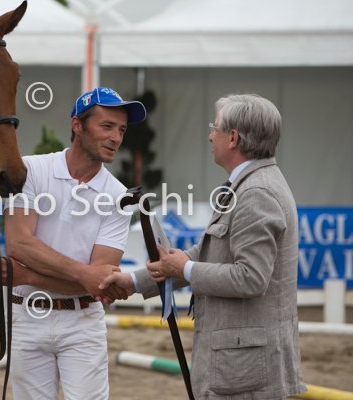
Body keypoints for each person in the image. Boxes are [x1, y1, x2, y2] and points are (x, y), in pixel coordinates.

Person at [100, 94, 307, 399]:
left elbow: (251, 278)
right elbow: (208, 254)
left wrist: (184, 268)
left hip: (245, 371)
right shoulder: (248, 185)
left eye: (215, 128)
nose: (210, 136)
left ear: (233, 138)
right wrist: (133, 281)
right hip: (242, 365)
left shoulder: (256, 193)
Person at [0, 87, 146, 400]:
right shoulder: (30, 170)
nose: (116, 137)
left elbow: (100, 281)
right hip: (27, 315)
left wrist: (28, 276)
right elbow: (19, 244)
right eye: (107, 126)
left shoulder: (119, 196)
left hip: (81, 322)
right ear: (77, 125)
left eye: (122, 130)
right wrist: (84, 275)